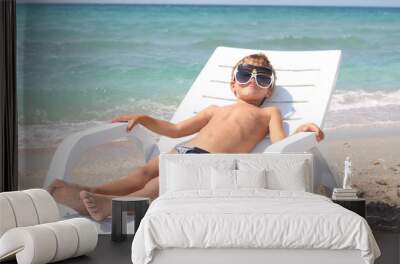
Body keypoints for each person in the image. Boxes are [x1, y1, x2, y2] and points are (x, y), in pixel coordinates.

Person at [49, 53, 325, 221]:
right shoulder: (214, 109)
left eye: (262, 78)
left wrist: (298, 131)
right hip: (183, 151)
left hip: (207, 164)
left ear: (269, 91)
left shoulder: (269, 113)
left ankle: (113, 207)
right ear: (233, 85)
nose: (253, 80)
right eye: (245, 74)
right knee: (143, 172)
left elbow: (278, 146)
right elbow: (176, 130)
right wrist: (144, 118)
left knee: (155, 186)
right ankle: (92, 192)